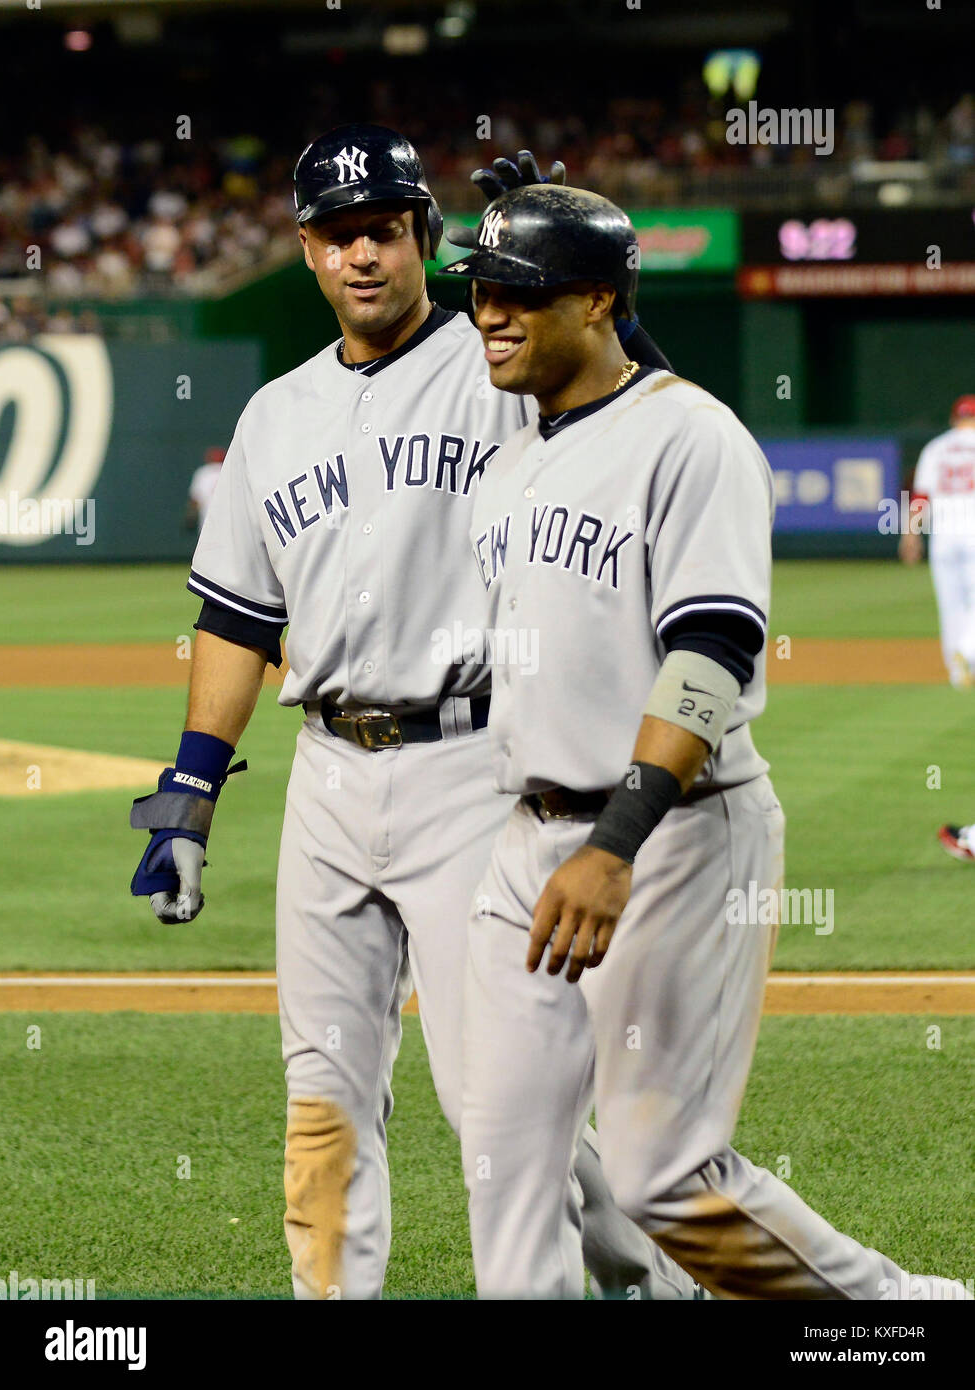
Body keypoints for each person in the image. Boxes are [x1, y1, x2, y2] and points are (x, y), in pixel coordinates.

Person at [129, 125, 699, 1301]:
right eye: (337, 237)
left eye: (383, 231)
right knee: (323, 1093)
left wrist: (574, 280)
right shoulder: (276, 418)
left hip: (476, 769)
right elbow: (237, 622)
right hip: (327, 779)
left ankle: (644, 1272)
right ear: (303, 252)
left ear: (423, 238)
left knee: (498, 1098)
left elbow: (647, 414)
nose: (362, 258)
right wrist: (188, 790)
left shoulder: (503, 367)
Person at [443, 183, 972, 1299]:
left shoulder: (694, 440)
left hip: (668, 835)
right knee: (507, 1160)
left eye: (519, 292)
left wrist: (616, 842)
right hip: (521, 846)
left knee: (662, 1174)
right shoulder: (507, 452)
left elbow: (713, 653)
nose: (487, 314)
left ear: (597, 300)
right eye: (479, 290)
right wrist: (531, 220)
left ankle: (900, 1316)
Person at [899, 395, 975, 688]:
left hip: (943, 537)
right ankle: (966, 653)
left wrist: (910, 534)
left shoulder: (937, 447)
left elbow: (921, 497)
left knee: (951, 605)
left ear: (954, 419)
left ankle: (957, 674)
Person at [184, 446, 226, 533]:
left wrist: (191, 516)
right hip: (229, 519)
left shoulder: (203, 472)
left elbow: (195, 500)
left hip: (207, 520)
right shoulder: (229, 470)